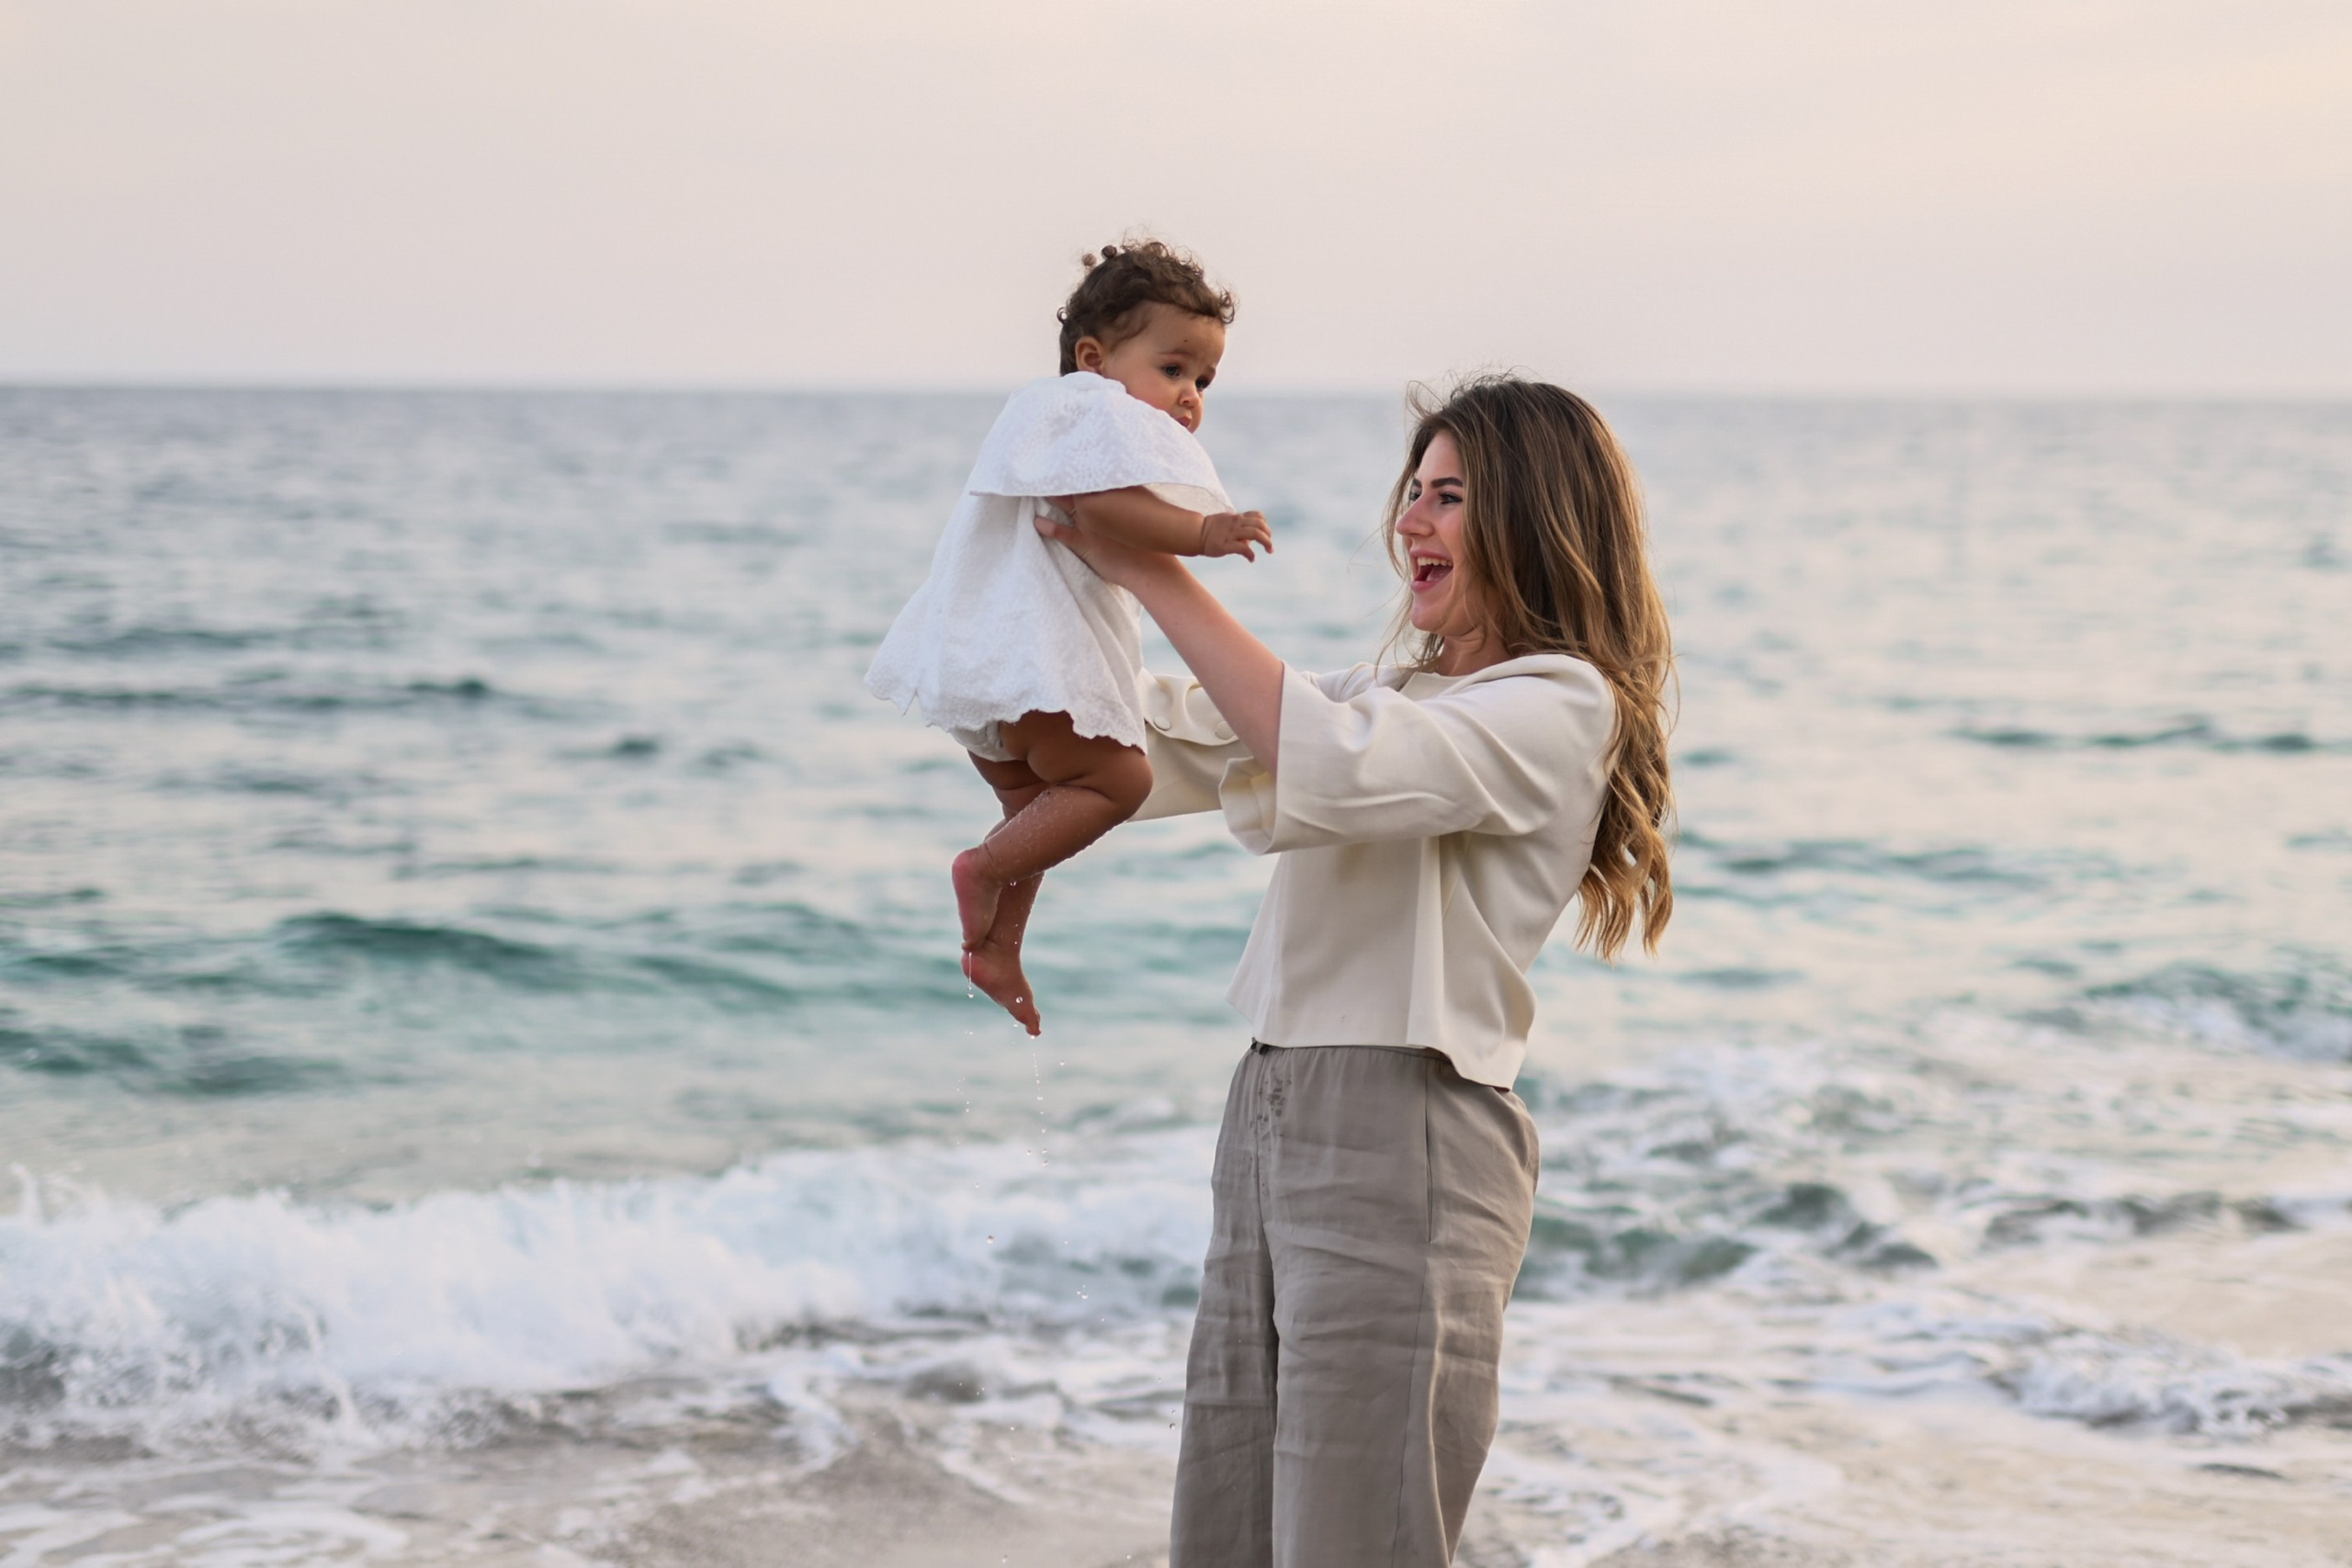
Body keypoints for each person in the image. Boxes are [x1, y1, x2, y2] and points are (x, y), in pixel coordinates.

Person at [1035, 376, 1676, 1567]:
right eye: (1413, 491)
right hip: (1273, 1111)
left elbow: (1331, 756)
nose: (1412, 522)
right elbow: (1172, 730)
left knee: (1353, 1539)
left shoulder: (1557, 703)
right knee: (1227, 1528)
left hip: (1407, 1133)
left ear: (1536, 519)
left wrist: (1156, 568)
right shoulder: (1389, 688)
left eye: (1452, 497)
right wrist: (1012, 624)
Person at [865, 242, 1272, 1033]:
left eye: (1203, 380)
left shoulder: (1045, 421)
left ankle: (999, 946)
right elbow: (1102, 511)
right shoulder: (1090, 414)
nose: (1190, 396)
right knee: (1120, 782)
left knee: (1039, 817)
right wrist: (1203, 528)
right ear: (1095, 358)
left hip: (985, 665)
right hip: (1036, 667)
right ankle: (980, 870)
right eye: (1174, 368)